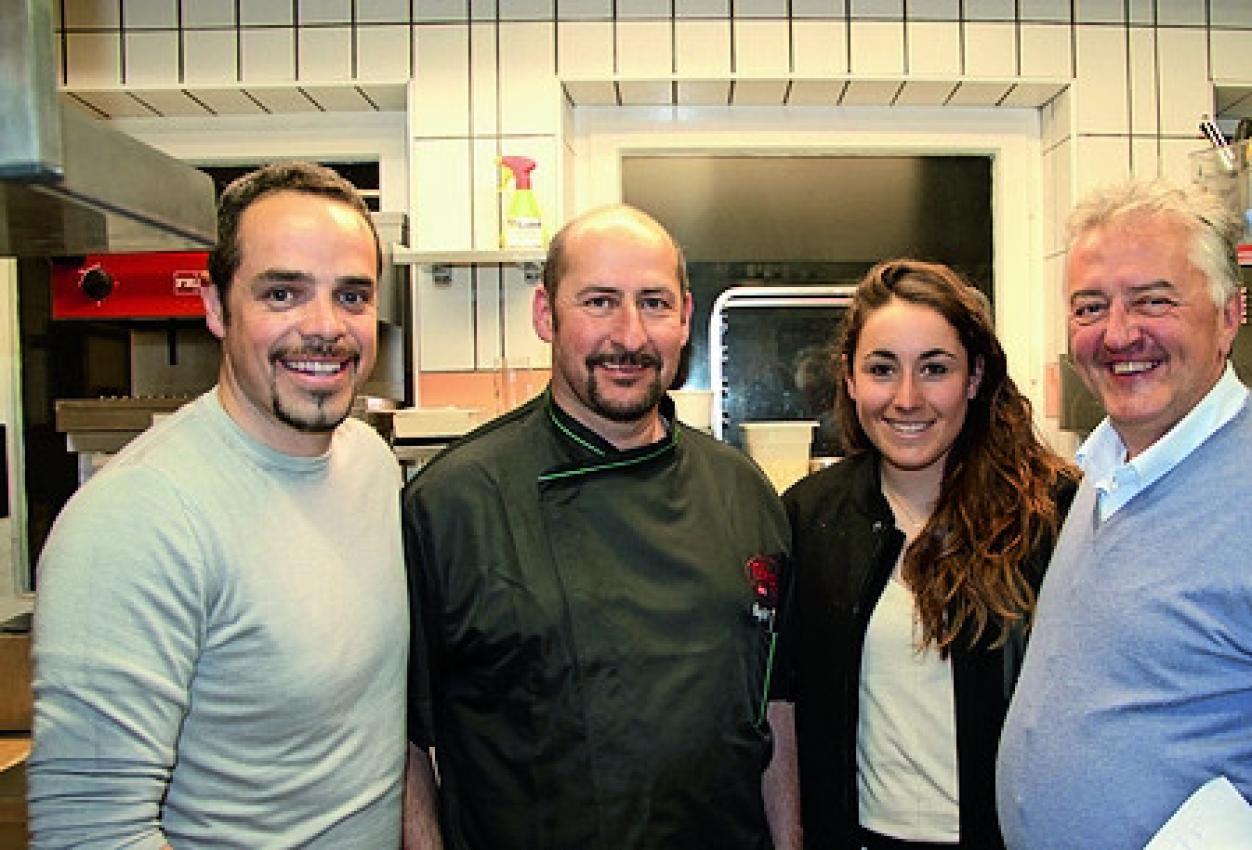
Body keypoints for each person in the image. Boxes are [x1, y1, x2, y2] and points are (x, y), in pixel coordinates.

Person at [28, 161, 430, 846]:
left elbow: (378, 734)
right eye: (283, 293)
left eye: (353, 296)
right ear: (214, 306)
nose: (325, 327)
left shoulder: (367, 463)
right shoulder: (138, 518)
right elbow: (90, 832)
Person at [401, 204, 794, 850]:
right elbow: (406, 740)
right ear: (544, 314)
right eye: (600, 302)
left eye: (655, 303)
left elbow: (777, 708)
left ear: (686, 318)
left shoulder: (743, 492)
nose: (631, 336)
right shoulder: (453, 503)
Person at [771, 259, 1079, 849]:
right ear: (851, 378)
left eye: (934, 369)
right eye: (882, 369)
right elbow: (783, 706)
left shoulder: (1052, 516)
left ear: (974, 376)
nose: (907, 399)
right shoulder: (811, 517)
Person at [997, 179, 1252, 848]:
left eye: (1154, 301)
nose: (1117, 334)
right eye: (1089, 308)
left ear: (1229, 315)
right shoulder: (1103, 469)